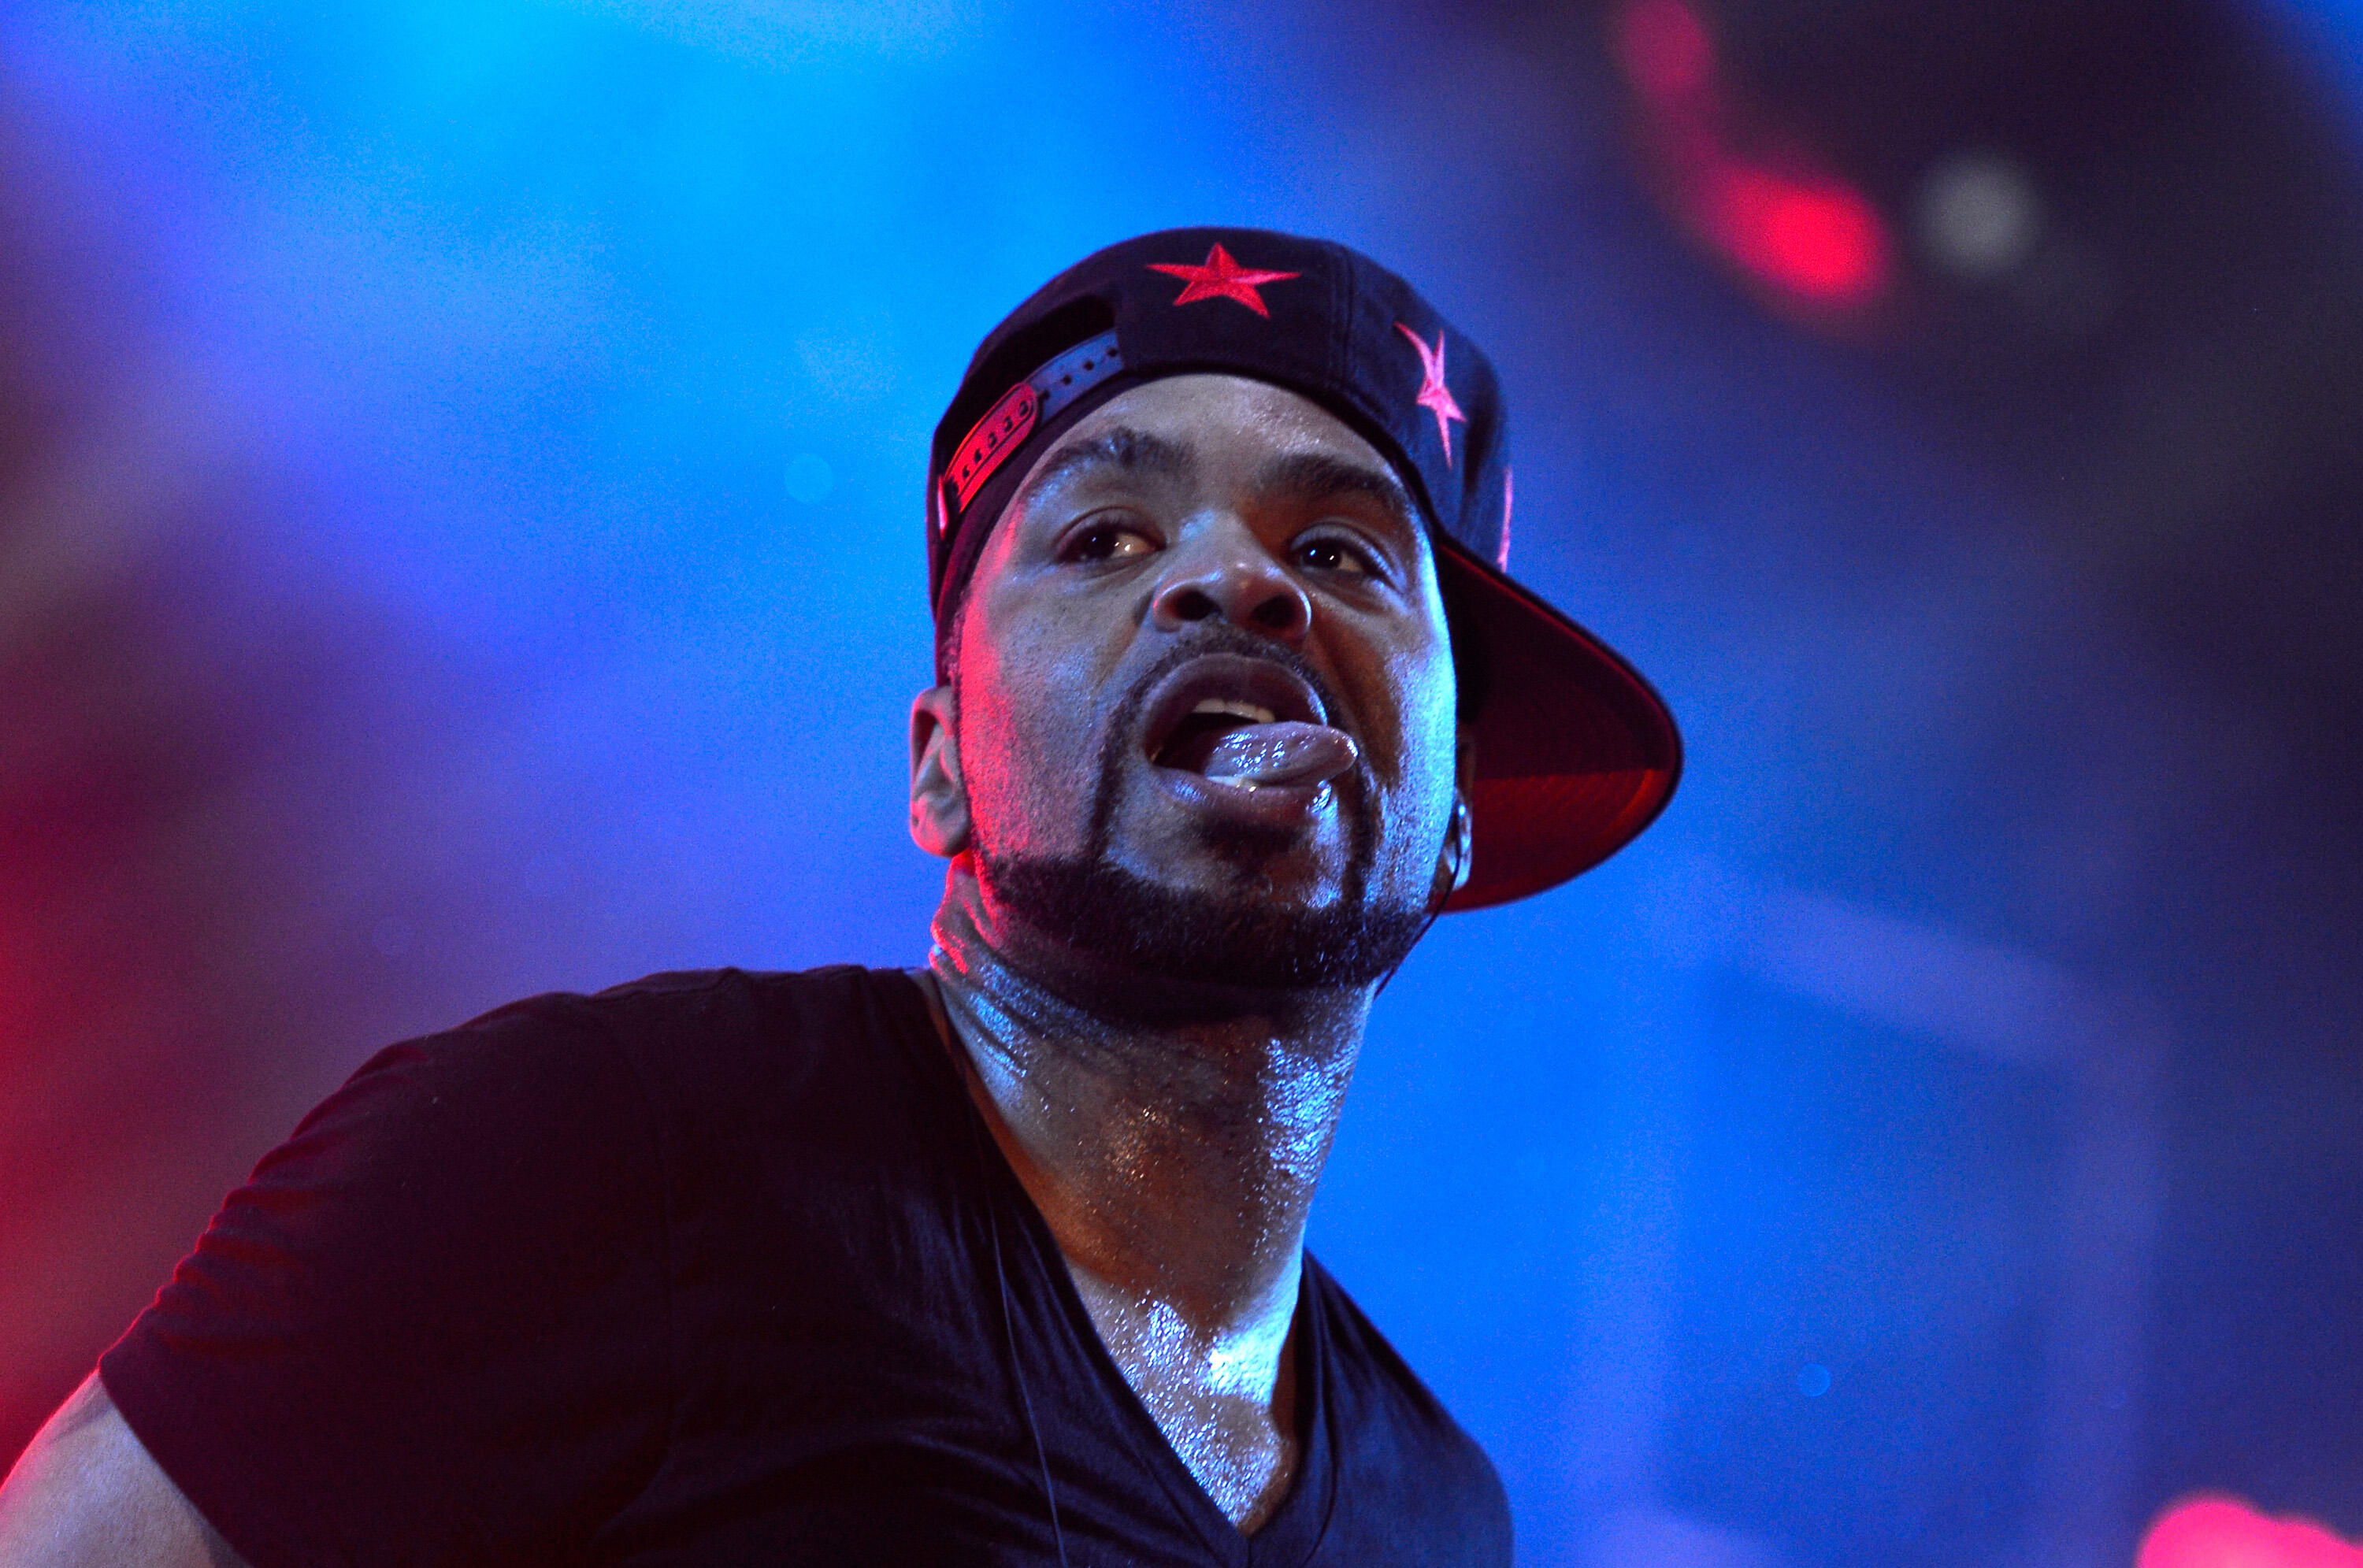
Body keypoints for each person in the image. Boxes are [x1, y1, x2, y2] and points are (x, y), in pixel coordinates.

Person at [0, 227, 1679, 1566]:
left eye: (1341, 554)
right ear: (940, 765)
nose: (1234, 576)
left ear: (1457, 816)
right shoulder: (588, 1156)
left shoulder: (1443, 1512)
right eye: (1102, 537)